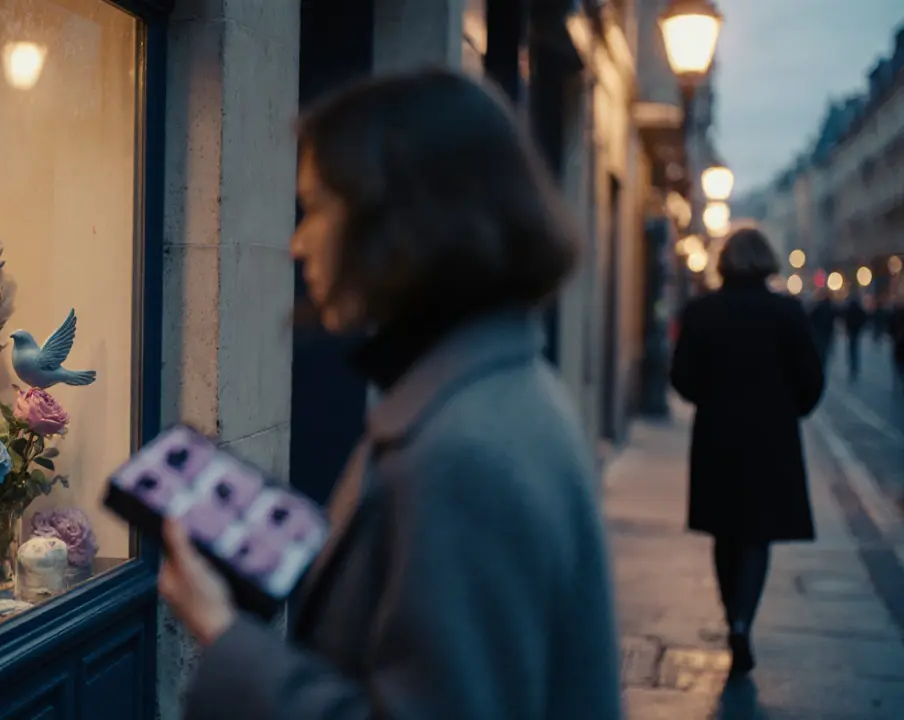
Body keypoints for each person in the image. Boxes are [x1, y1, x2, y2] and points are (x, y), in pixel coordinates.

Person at [158, 70, 623, 719]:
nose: (297, 242)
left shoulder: (464, 450)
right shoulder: (486, 391)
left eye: (317, 207)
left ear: (402, 218)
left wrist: (222, 634)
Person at [670, 227, 824, 678]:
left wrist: (712, 400)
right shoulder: (788, 312)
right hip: (771, 440)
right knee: (757, 535)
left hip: (718, 436)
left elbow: (682, 378)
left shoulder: (702, 312)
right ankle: (741, 623)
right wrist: (786, 410)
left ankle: (730, 616)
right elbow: (811, 382)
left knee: (725, 530)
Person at [842, 290, 869, 381]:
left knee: (851, 349)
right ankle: (854, 367)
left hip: (851, 331)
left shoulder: (849, 309)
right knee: (855, 349)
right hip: (856, 331)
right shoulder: (859, 309)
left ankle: (852, 367)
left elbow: (845, 319)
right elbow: (864, 318)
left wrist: (847, 327)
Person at [807, 288, 836, 368]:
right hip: (826, 333)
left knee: (820, 352)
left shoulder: (817, 307)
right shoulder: (830, 307)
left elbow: (810, 318)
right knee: (824, 353)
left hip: (819, 333)